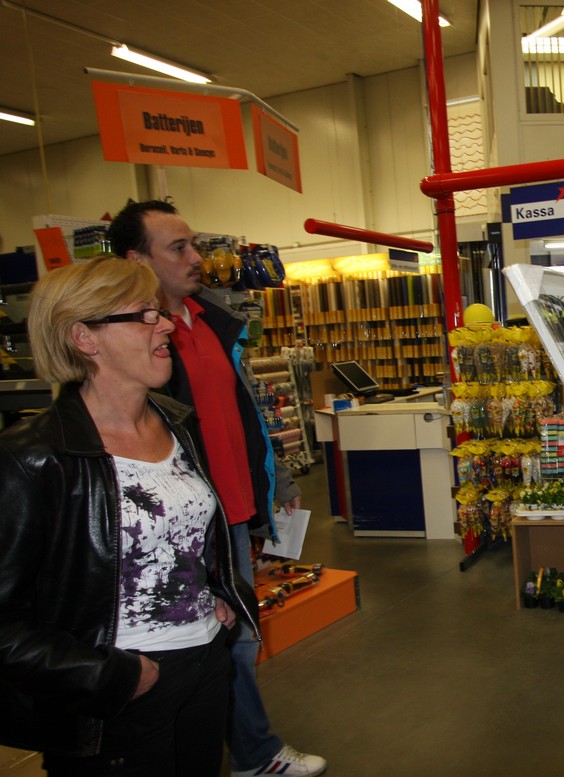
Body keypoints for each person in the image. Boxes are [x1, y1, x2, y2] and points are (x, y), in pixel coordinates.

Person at [0, 258, 253, 775]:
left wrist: (216, 594)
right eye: (143, 315)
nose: (166, 325)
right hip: (120, 692)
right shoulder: (34, 456)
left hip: (204, 661)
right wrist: (107, 675)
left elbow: (182, 539)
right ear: (84, 338)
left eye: (159, 312)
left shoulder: (175, 424)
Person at [109, 201, 326, 777]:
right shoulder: (133, 339)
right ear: (136, 260)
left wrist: (275, 477)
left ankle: (249, 752)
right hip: (181, 518)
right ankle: (250, 753)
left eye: (195, 245)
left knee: (239, 638)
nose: (197, 258)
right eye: (177, 248)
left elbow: (243, 408)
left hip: (230, 507)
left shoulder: (211, 320)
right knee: (199, 646)